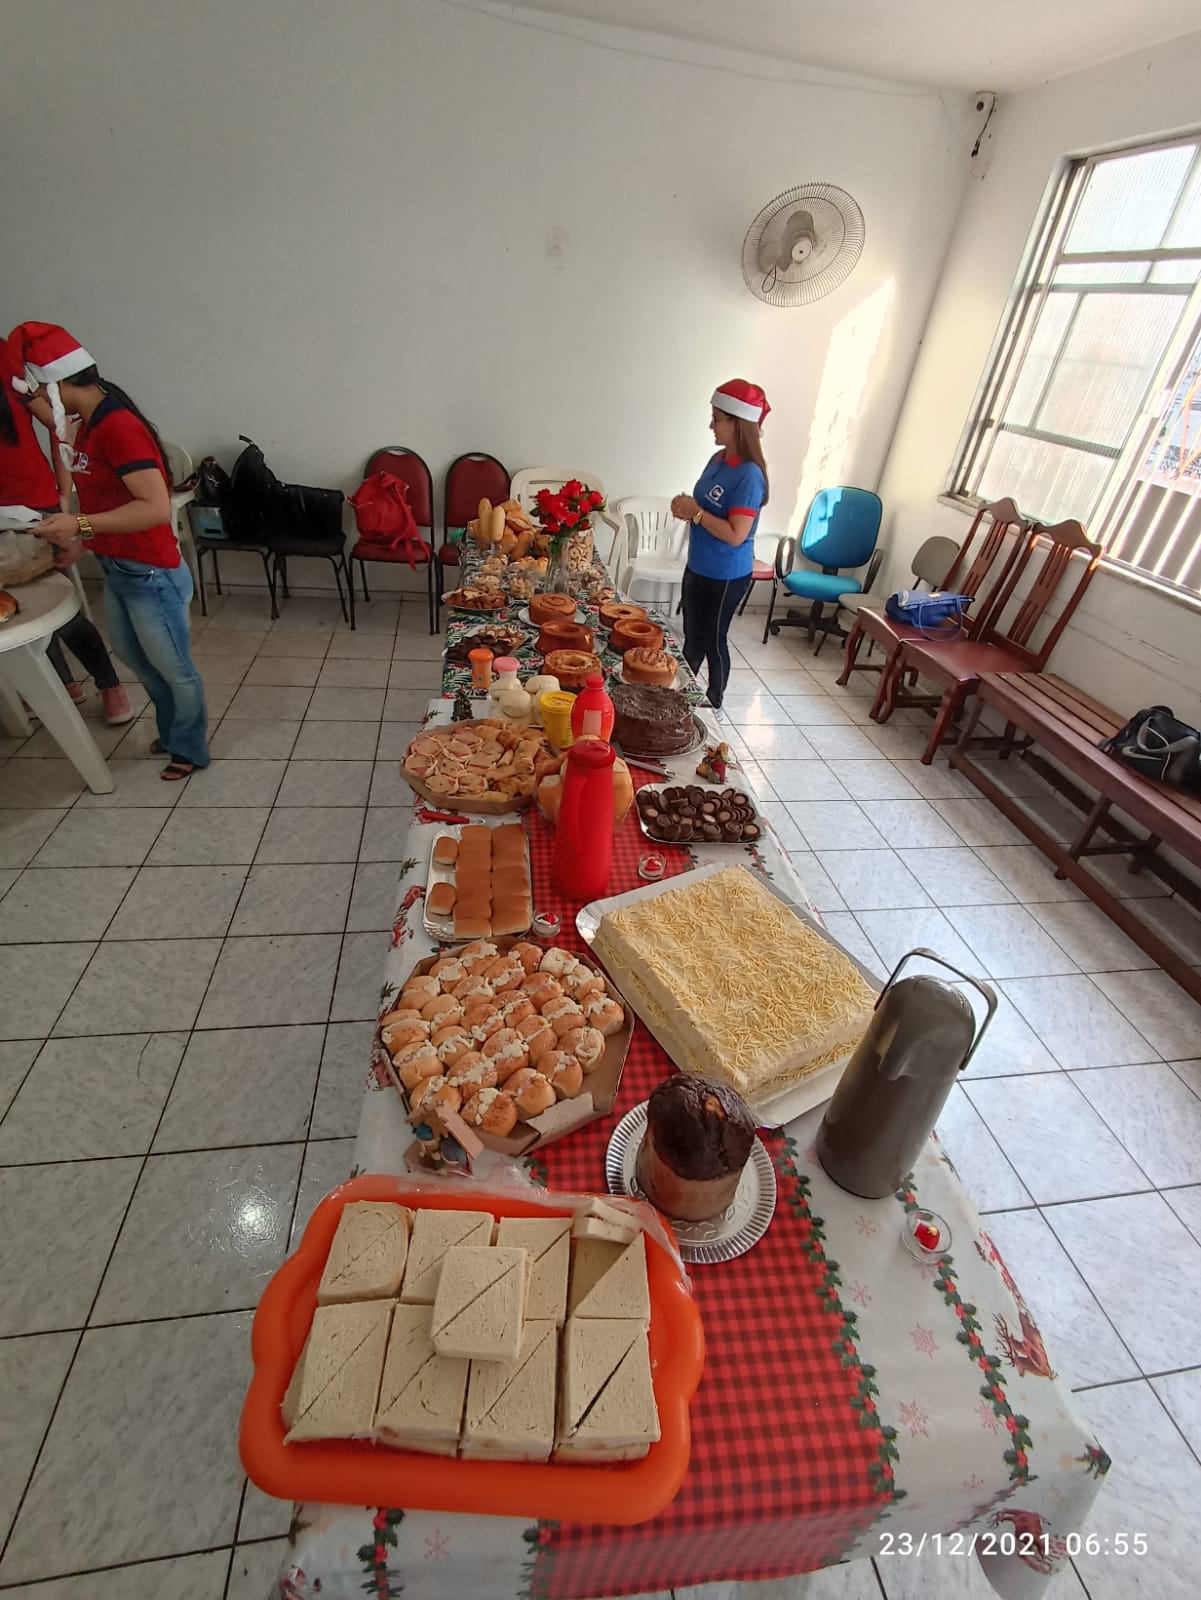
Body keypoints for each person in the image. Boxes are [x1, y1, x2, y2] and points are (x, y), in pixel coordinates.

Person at [7, 321, 208, 779]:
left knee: (174, 669)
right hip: (120, 566)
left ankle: (189, 747)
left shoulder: (117, 427)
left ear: (59, 384)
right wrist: (81, 542)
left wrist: (78, 523)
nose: (38, 402)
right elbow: (105, 498)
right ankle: (173, 733)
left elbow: (154, 507)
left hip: (151, 573)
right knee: (138, 659)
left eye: (39, 391)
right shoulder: (89, 422)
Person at [0, 336, 132, 723]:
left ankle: (109, 683)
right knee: (17, 605)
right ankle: (63, 683)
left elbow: (61, 425)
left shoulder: (8, 364)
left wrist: (64, 492)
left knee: (55, 601)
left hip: (33, 505)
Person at [671, 378, 770, 710]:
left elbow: (736, 533)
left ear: (738, 424)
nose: (711, 425)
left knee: (713, 640)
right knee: (692, 639)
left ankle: (713, 700)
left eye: (717, 419)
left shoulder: (749, 475)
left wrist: (697, 513)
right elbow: (705, 507)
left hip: (725, 574)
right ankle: (681, 696)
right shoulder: (718, 459)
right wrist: (686, 508)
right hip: (698, 565)